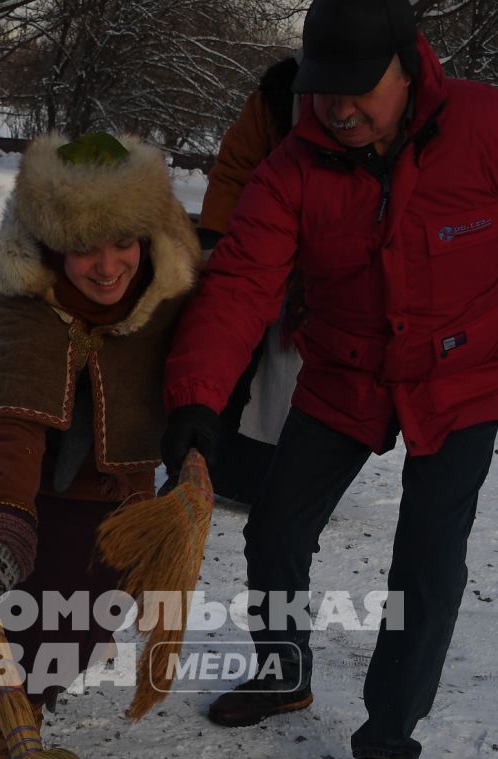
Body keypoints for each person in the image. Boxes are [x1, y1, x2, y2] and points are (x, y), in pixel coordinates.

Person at [162, 0, 498, 759]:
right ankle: (283, 670)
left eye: (358, 91)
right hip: (345, 372)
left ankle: (385, 745)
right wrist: (199, 399)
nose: (339, 109)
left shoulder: (492, 125)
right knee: (273, 529)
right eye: (324, 90)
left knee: (425, 565)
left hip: (462, 380)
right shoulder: (295, 164)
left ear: (407, 67)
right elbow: (240, 284)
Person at [0, 132, 201, 759]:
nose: (106, 267)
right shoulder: (22, 291)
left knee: (89, 610)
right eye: (83, 248)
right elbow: (14, 420)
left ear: (148, 236)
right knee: (28, 598)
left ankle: (45, 673)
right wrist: (2, 525)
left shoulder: (173, 282)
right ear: (53, 245)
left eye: (121, 243)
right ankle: (14, 712)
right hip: (25, 465)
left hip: (115, 469)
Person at [196, 55, 301, 505]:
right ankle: (214, 462)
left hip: (321, 269)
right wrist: (214, 240)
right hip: (256, 245)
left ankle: (288, 474)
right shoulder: (274, 97)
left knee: (292, 378)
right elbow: (235, 169)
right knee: (234, 358)